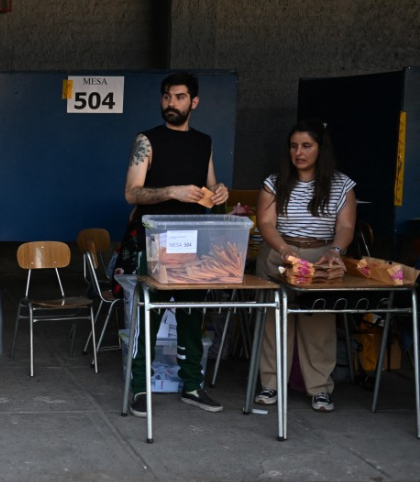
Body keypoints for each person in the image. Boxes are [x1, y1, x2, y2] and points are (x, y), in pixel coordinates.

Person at [123, 72, 230, 417]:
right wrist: (171, 191)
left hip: (194, 243)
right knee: (147, 317)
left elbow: (210, 194)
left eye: (179, 97)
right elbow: (131, 193)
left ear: (194, 102)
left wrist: (220, 193)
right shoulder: (147, 140)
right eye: (167, 97)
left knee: (191, 318)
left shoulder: (204, 142)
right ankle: (139, 388)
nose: (171, 103)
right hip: (155, 242)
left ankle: (193, 386)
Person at [254, 120, 356, 412]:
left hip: (322, 254)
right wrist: (284, 249)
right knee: (274, 320)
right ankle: (271, 384)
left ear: (321, 149)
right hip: (279, 252)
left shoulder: (342, 185)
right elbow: (266, 223)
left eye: (306, 146)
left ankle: (320, 389)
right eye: (294, 145)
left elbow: (347, 225)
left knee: (319, 321)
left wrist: (336, 251)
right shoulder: (274, 182)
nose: (298, 152)